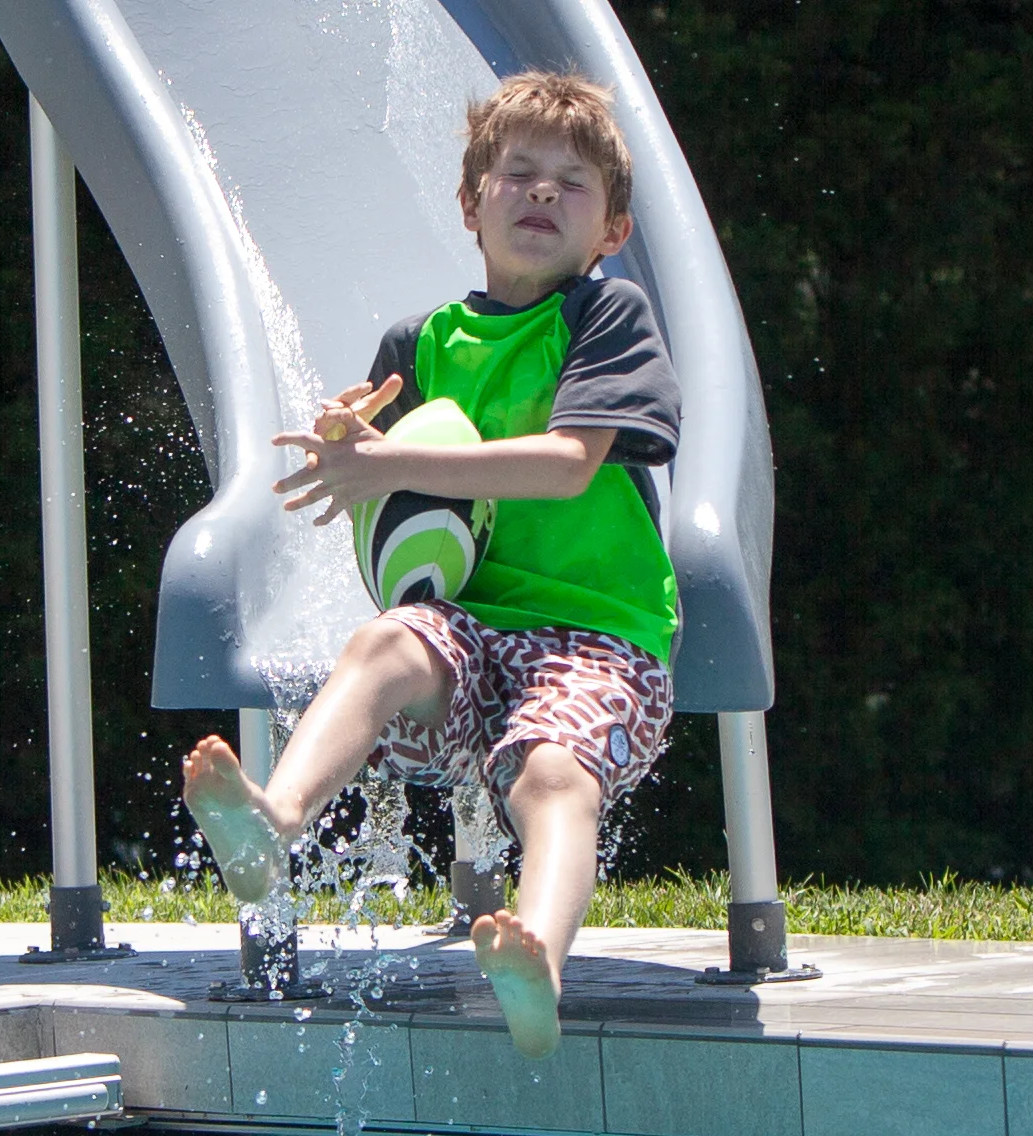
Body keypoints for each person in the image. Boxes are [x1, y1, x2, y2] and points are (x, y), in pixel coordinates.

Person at [179, 70, 680, 1061]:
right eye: (519, 172)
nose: (542, 192)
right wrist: (351, 454)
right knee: (384, 641)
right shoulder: (418, 347)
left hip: (600, 643)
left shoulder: (605, 319)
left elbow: (567, 465)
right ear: (470, 202)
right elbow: (401, 518)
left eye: (572, 182)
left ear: (612, 230)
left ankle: (536, 958)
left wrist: (392, 462)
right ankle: (276, 823)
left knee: (552, 775)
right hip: (469, 641)